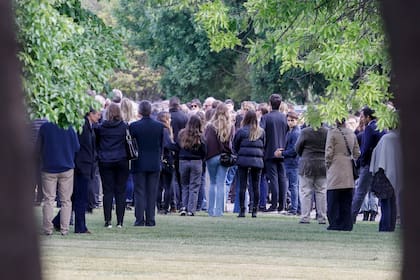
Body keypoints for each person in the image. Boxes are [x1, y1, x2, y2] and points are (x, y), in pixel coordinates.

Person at [37, 121, 80, 235]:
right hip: (67, 167)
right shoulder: (70, 127)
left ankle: (47, 229)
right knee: (66, 200)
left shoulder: (45, 127)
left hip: (48, 168)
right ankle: (64, 229)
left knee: (48, 199)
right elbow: (76, 147)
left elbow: (38, 147)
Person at [130, 100, 164, 226]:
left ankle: (139, 219)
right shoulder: (159, 126)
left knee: (139, 191)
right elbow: (161, 145)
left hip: (139, 162)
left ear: (139, 111)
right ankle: (150, 219)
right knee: (152, 191)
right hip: (154, 162)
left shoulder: (134, 126)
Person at [95, 103, 130, 228]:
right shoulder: (124, 127)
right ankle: (120, 221)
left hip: (105, 160)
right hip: (121, 160)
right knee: (121, 191)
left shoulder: (101, 127)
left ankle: (107, 220)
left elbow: (97, 142)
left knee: (107, 191)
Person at [351, 107, 386, 223]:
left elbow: (365, 148)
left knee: (360, 192)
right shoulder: (381, 127)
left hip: (369, 164)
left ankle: (351, 217)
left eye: (362, 116)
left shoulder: (370, 128)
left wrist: (361, 162)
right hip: (380, 164)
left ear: (368, 117)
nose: (361, 119)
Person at [325, 119, 360, 231]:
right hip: (348, 167)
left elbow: (329, 151)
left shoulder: (332, 133)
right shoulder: (351, 133)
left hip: (335, 165)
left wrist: (327, 164)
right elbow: (357, 152)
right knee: (346, 199)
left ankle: (334, 223)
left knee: (333, 198)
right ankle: (346, 224)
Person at [72, 108, 100, 233]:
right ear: (90, 114)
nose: (99, 116)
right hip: (82, 166)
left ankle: (57, 221)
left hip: (85, 165)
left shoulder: (89, 126)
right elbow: (81, 149)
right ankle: (80, 226)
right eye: (97, 114)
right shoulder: (83, 127)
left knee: (77, 197)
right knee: (80, 197)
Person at [233, 110, 265, 218]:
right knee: (255, 186)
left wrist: (239, 154)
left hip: (243, 161)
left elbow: (235, 146)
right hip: (257, 161)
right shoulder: (261, 132)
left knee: (242, 185)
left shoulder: (241, 131)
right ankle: (254, 210)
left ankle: (242, 210)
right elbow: (264, 145)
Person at [260, 94, 289, 212]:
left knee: (273, 179)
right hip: (282, 151)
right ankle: (282, 204)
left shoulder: (266, 118)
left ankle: (273, 204)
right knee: (282, 178)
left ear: (270, 104)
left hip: (269, 151)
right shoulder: (284, 118)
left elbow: (261, 133)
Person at [205, 103, 234, 217]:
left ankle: (211, 210)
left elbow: (207, 142)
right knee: (221, 184)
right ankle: (219, 211)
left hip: (211, 157)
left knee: (212, 183)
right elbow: (231, 143)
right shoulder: (230, 126)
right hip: (224, 157)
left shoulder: (210, 126)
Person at [295, 124, 328, 224]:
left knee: (305, 192)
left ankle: (305, 217)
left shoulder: (305, 131)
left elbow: (297, 148)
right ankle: (322, 217)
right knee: (321, 192)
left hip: (307, 164)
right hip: (322, 164)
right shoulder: (327, 132)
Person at [370, 130, 402, 231]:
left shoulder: (386, 138)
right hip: (396, 172)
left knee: (385, 201)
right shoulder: (399, 138)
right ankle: (390, 225)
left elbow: (377, 154)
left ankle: (385, 226)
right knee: (392, 201)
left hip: (383, 173)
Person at [177, 115, 207, 216]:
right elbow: (204, 151)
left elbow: (178, 147)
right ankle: (191, 209)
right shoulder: (201, 136)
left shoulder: (182, 134)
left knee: (184, 185)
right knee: (194, 186)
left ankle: (184, 207)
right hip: (196, 161)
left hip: (183, 161)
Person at [274, 111, 301, 215]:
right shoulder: (291, 131)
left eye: (292, 120)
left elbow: (294, 150)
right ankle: (297, 208)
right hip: (290, 162)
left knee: (293, 186)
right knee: (293, 186)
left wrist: (282, 153)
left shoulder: (295, 133)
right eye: (288, 120)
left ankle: (294, 209)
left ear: (296, 120)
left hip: (293, 163)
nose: (290, 122)